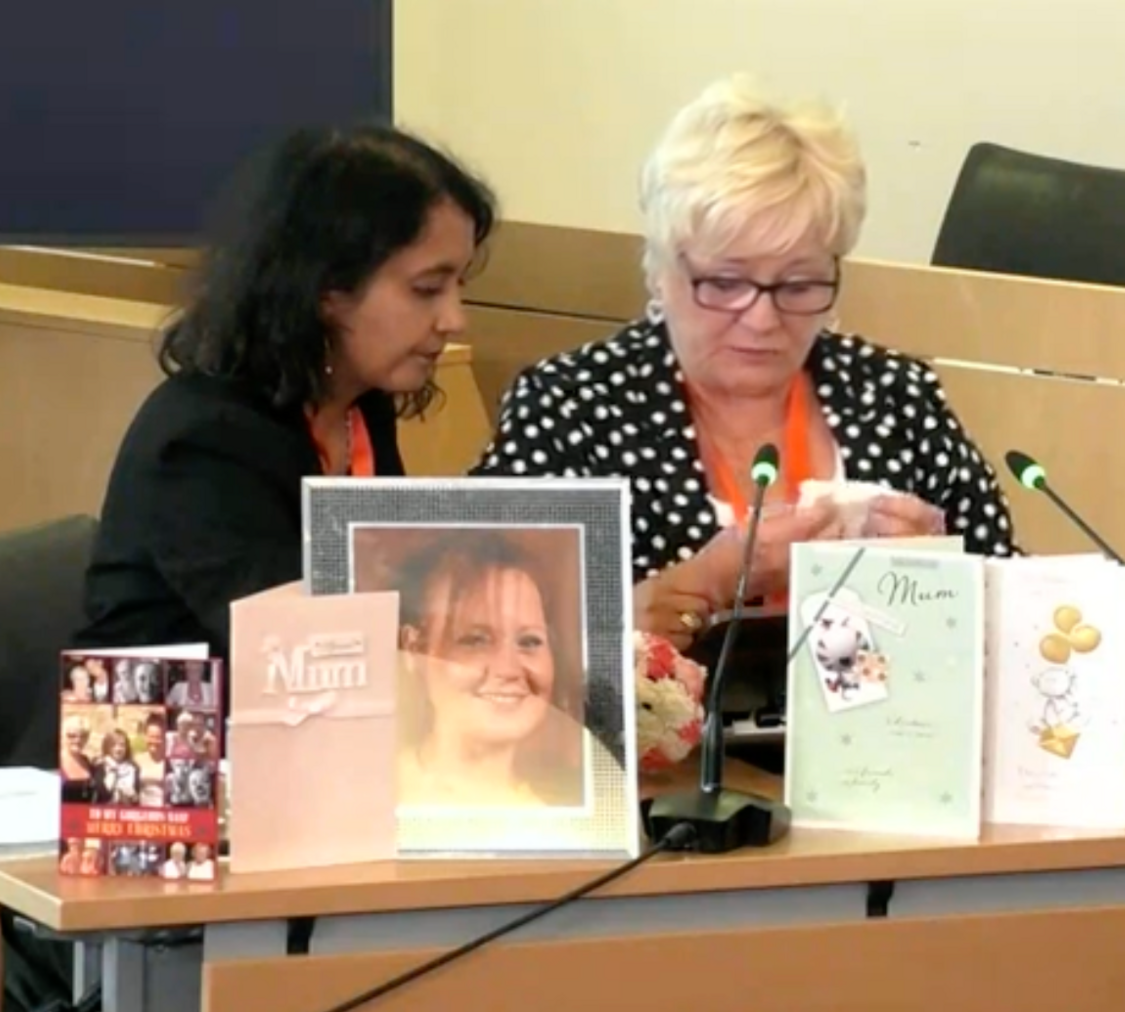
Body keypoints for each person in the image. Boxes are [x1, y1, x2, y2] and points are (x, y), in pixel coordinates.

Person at [471, 76, 1020, 651]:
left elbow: (1010, 608)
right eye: (726, 282)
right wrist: (704, 584)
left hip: (879, 736)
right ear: (659, 269)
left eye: (799, 285)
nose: (761, 319)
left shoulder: (895, 395)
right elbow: (477, 629)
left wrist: (942, 580)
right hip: (668, 740)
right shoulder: (571, 404)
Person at [72, 124, 498, 661]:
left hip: (306, 726)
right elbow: (298, 651)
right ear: (325, 291)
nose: (454, 319)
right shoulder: (204, 439)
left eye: (459, 287)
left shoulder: (362, 405)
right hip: (156, 735)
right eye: (427, 290)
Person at [389, 535, 586, 809]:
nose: (508, 669)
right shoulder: (369, 798)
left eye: (529, 641)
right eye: (475, 640)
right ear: (413, 649)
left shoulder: (572, 819)